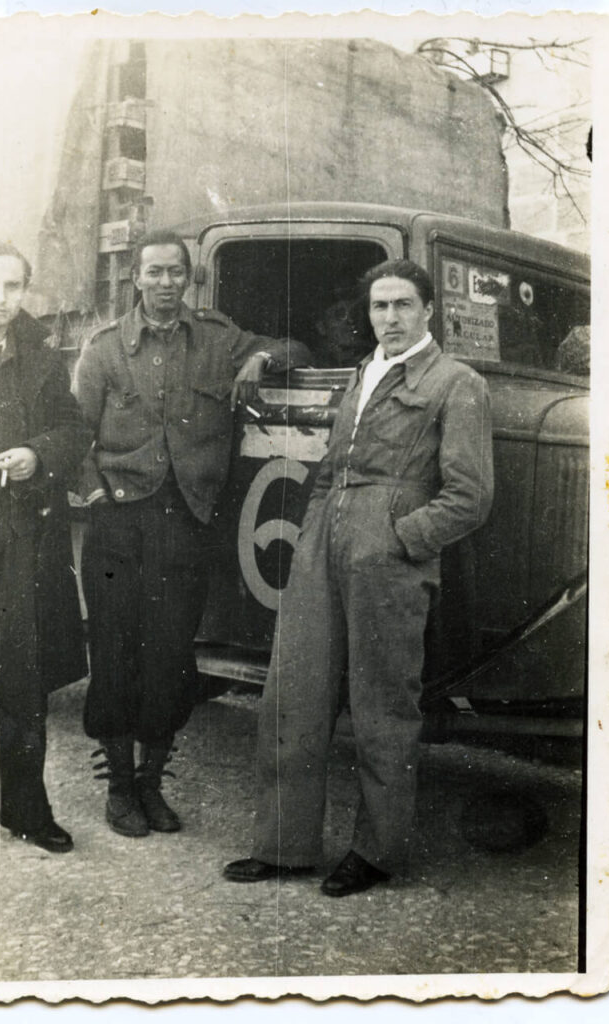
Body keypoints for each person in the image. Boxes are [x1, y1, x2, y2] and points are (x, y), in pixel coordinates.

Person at [224, 258, 494, 896]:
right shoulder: (364, 373)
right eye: (380, 306)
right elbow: (332, 468)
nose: (391, 318)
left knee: (382, 707)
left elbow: (470, 496)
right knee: (293, 691)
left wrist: (400, 540)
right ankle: (284, 846)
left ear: (428, 311)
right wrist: (316, 529)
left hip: (390, 558)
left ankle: (376, 852)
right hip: (323, 545)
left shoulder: (457, 383)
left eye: (402, 305)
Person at [74, 229, 310, 839]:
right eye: (154, 272)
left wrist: (263, 360)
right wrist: (98, 496)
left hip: (185, 524)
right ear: (136, 279)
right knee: (116, 651)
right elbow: (75, 437)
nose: (166, 283)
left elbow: (294, 345)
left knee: (171, 656)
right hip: (118, 524)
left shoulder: (219, 340)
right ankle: (120, 788)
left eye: (176, 272)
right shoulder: (104, 350)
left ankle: (153, 785)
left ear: (190, 277)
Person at [0, 242, 92, 852]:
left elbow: (73, 427)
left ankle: (28, 811)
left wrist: (39, 455)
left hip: (22, 533)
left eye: (14, 287)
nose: (1, 299)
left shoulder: (40, 354)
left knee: (24, 676)